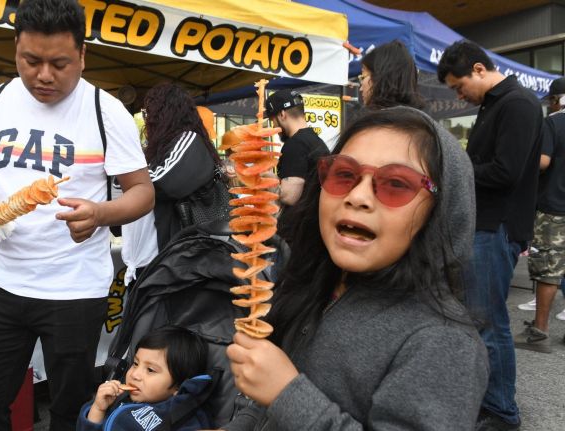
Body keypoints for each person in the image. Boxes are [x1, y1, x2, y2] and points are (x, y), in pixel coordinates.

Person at [223, 107, 487, 430]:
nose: (358, 196)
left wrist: (287, 394)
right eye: (344, 175)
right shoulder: (314, 285)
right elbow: (260, 400)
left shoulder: (443, 343)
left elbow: (279, 392)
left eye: (395, 184)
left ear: (441, 212)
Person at [0, 1, 154, 429]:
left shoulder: (105, 111)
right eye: (31, 61)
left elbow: (142, 192)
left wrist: (101, 212)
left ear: (82, 56)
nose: (44, 75)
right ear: (15, 50)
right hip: (2, 284)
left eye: (60, 63)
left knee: (73, 410)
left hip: (74, 290)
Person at [437, 39, 543, 431]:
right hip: (485, 224)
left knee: (489, 322)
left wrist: (455, 170)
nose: (458, 94)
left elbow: (505, 171)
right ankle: (489, 400)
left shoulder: (516, 103)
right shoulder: (497, 103)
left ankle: (502, 411)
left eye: (458, 85)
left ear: (479, 69)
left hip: (497, 226)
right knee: (480, 320)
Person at [120, 83, 224, 285]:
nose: (147, 120)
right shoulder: (156, 150)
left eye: (148, 113)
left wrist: (124, 172)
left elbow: (163, 182)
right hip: (145, 263)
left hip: (173, 263)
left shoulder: (189, 141)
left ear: (165, 113)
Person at [77, 326, 212, 430]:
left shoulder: (182, 416)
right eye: (135, 363)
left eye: (150, 370)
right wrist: (98, 409)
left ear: (179, 385)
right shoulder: (120, 398)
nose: (135, 375)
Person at [514, 76, 565, 353]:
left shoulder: (554, 123)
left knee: (548, 271)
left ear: (558, 100)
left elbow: (543, 162)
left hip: (554, 209)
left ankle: (540, 331)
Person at [263, 89, 329, 244]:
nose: (274, 126)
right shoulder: (315, 141)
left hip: (297, 235)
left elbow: (289, 196)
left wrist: (268, 179)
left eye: (273, 121)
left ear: (282, 115)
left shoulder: (295, 145)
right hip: (313, 230)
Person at [359, 39, 424, 110]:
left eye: (363, 77)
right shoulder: (419, 118)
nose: (360, 88)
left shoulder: (377, 119)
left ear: (380, 79)